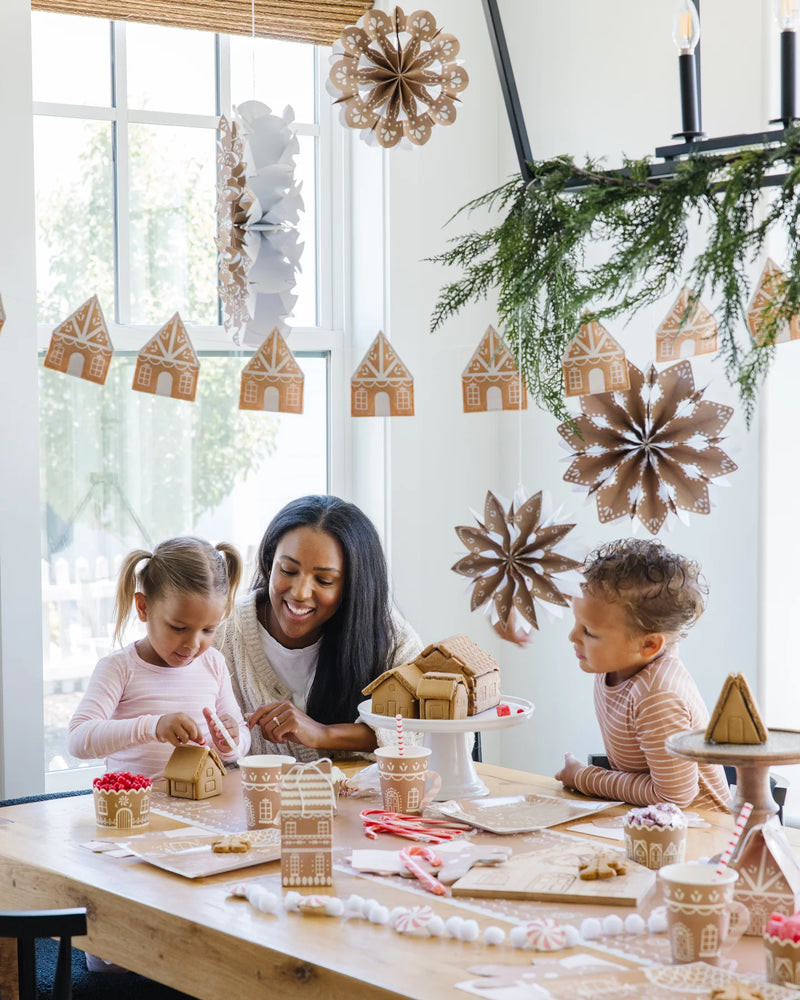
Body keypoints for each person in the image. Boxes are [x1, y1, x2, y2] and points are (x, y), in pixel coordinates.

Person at [215, 495, 423, 762]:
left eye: (324, 580)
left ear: (351, 586)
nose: (300, 593)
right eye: (288, 571)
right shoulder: (222, 637)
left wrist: (323, 734)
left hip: (367, 805)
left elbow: (430, 731)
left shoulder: (392, 641)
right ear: (269, 563)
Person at [554, 538, 730, 811]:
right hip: (654, 825)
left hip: (700, 833)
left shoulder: (658, 695)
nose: (573, 636)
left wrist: (582, 777)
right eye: (577, 622)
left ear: (649, 645)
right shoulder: (617, 663)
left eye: (589, 632)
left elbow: (673, 798)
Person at [68, 536, 251, 780]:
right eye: (178, 628)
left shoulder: (213, 663)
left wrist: (231, 740)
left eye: (208, 630)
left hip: (202, 807)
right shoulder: (120, 668)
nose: (193, 644)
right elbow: (78, 739)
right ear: (143, 608)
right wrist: (152, 727)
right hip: (135, 811)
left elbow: (240, 741)